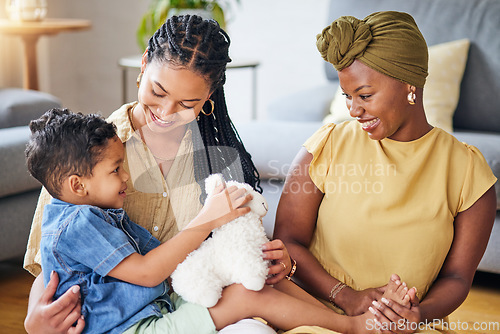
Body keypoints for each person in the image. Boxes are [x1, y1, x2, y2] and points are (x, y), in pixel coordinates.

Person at [24, 108, 408, 334]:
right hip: (131, 327)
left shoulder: (93, 199)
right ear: (77, 185)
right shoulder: (78, 213)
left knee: (251, 269)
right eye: (116, 170)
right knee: (246, 293)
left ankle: (343, 317)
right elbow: (141, 273)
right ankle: (355, 327)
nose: (126, 177)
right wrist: (207, 222)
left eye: (188, 101)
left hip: (157, 304)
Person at [23, 14, 276, 334]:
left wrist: (273, 258)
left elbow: (234, 246)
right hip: (113, 321)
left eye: (187, 103)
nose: (166, 113)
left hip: (189, 304)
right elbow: (52, 261)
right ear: (144, 64)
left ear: (208, 98)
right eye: (158, 92)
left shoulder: (217, 157)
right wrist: (35, 319)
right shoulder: (85, 151)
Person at [273, 11, 498, 334]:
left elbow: (457, 278)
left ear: (410, 85)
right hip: (318, 316)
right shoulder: (327, 146)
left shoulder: (467, 172)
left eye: (365, 95)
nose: (354, 110)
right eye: (347, 97)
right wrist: (348, 298)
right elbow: (287, 240)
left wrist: (416, 315)